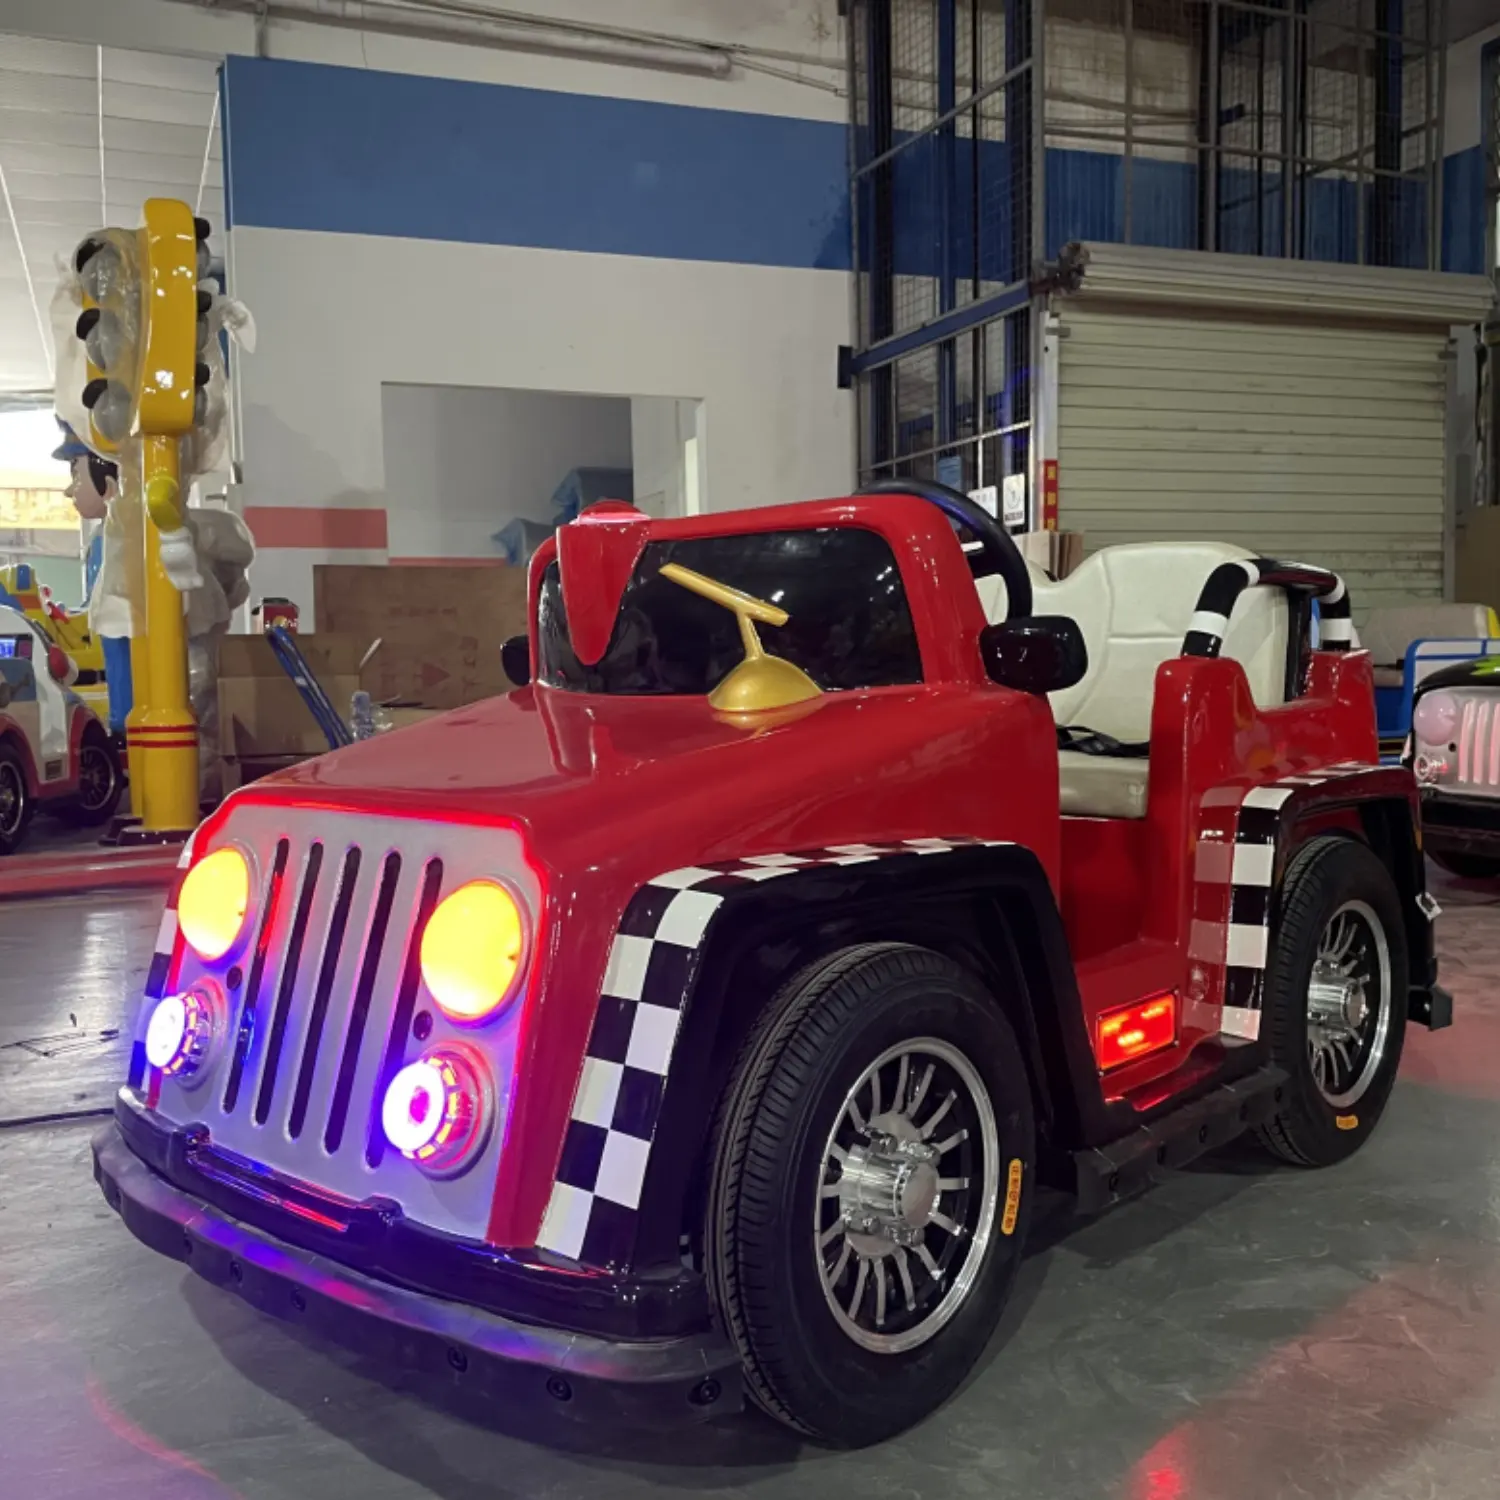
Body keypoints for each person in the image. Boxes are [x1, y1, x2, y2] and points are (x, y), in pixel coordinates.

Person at [54, 420, 132, 735]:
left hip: (129, 705)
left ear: (110, 482)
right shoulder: (110, 535)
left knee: (120, 649)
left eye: (76, 474)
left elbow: (107, 612)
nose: (70, 489)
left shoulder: (115, 537)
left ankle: (121, 719)